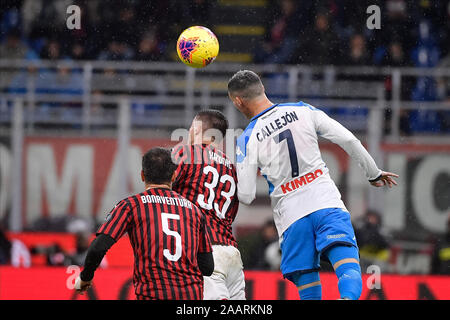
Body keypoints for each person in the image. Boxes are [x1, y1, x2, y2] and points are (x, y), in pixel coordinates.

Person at [227, 70, 398, 300]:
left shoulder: (249, 137)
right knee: (347, 263)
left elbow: (246, 195)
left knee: (307, 280)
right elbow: (347, 139)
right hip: (325, 201)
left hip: (291, 216)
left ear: (238, 101)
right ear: (262, 89)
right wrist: (373, 173)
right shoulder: (302, 110)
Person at [75, 147, 214, 300]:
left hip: (153, 294)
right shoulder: (194, 211)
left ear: (142, 175)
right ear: (174, 176)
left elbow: (97, 248)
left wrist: (85, 277)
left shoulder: (131, 206)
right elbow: (207, 267)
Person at [171, 110, 245, 300]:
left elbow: (163, 188)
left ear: (196, 128)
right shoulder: (230, 167)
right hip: (231, 251)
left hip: (204, 251)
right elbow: (230, 213)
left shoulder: (186, 152)